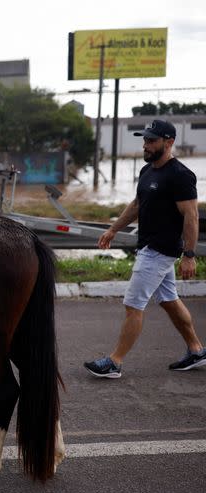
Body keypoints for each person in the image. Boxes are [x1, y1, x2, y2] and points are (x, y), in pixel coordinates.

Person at [84, 119, 205, 378]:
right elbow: (138, 204)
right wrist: (113, 229)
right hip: (148, 247)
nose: (145, 144)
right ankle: (196, 349)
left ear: (168, 142)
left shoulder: (180, 175)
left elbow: (191, 216)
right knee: (169, 300)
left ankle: (115, 362)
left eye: (151, 140)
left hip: (160, 251)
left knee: (133, 305)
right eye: (145, 140)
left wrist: (189, 255)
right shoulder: (148, 171)